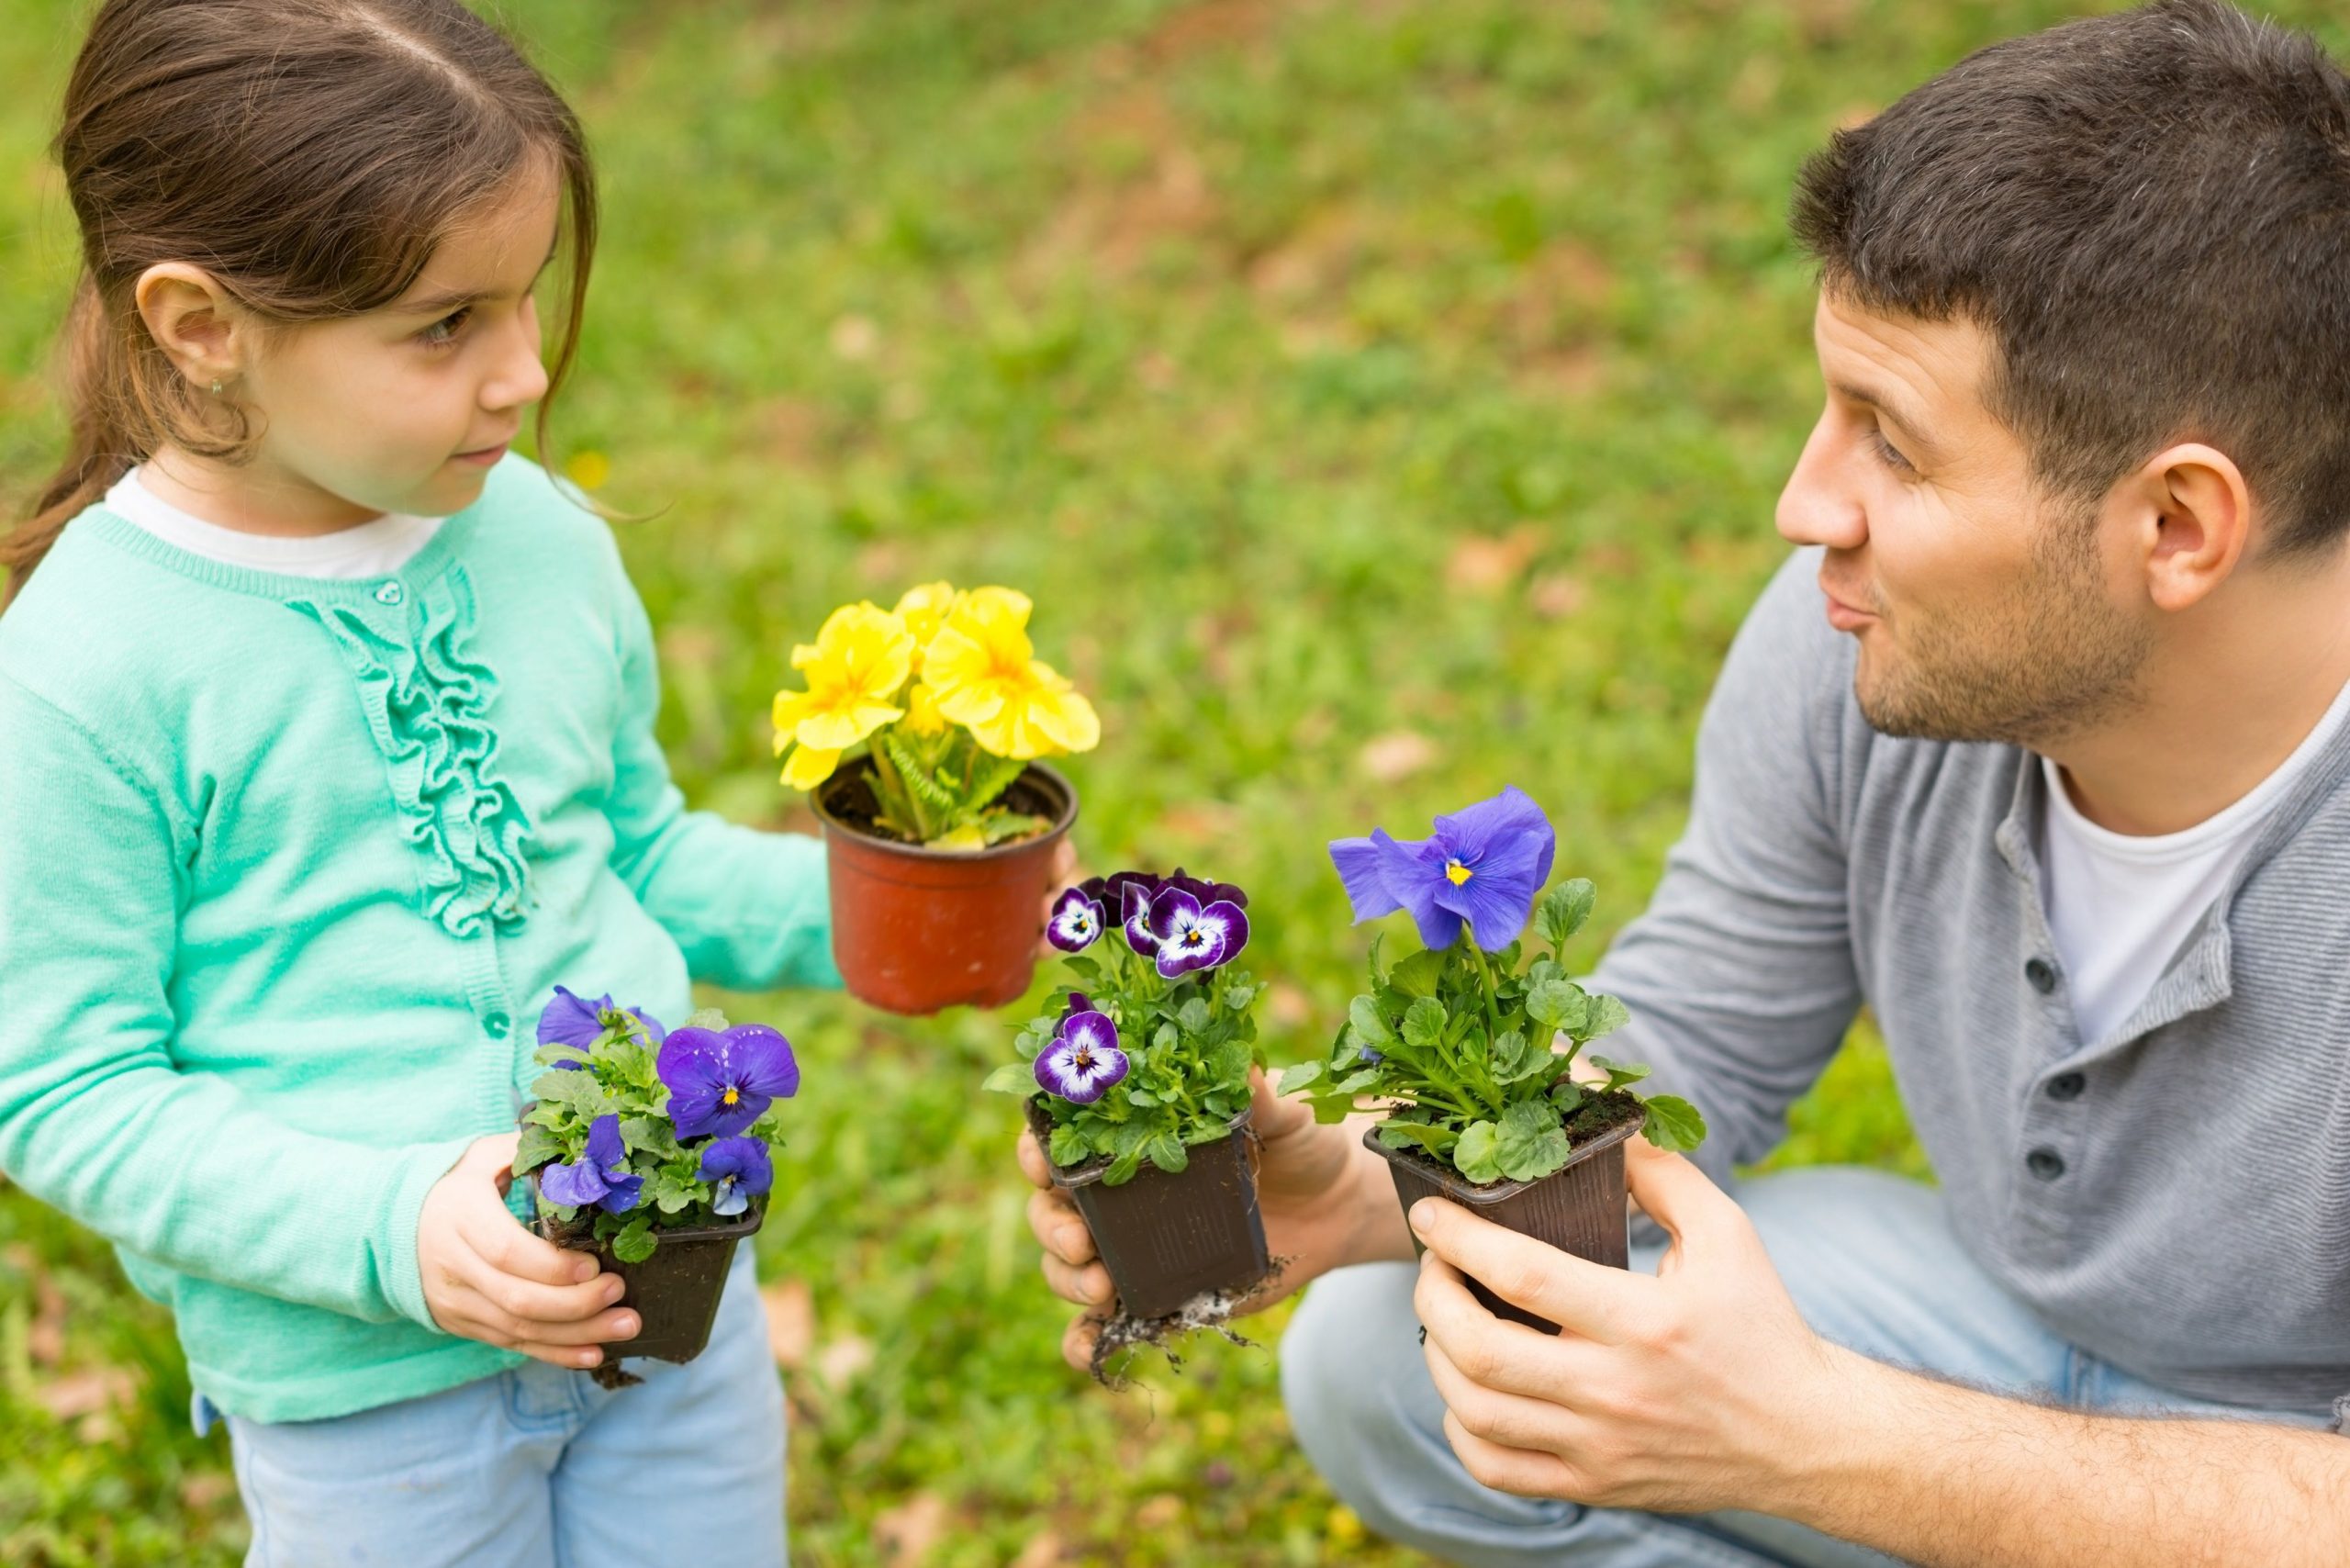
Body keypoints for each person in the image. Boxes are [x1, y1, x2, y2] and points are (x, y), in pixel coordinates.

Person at [1021, 3, 2350, 1562]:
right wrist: (1356, 1186)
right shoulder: (1865, 635)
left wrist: (1825, 1446)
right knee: (1395, 1357)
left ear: (2178, 526)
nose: (1805, 505)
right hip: (2002, 1338)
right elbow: (1704, 1030)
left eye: (1894, 445)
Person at [0, 4, 836, 1562]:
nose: (524, 374)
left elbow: (636, 857)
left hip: (676, 1303)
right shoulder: (88, 667)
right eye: (446, 325)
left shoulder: (545, 540)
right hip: (365, 1406)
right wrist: (393, 1231)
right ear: (200, 325)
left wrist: (893, 908)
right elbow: (64, 1088)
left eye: (525, 300)